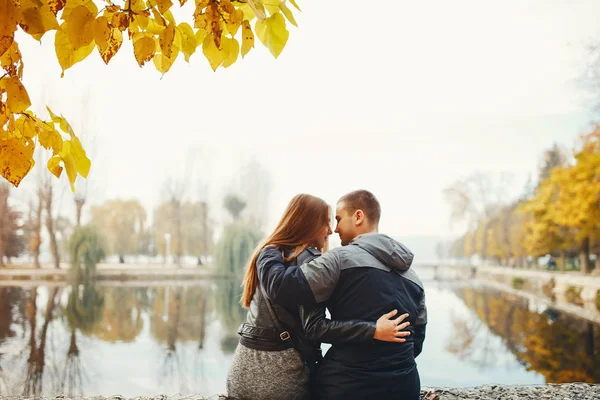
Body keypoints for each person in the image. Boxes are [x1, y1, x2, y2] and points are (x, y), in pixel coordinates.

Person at [226, 194, 412, 400]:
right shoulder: (311, 263)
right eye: (327, 223)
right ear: (308, 224)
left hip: (239, 375)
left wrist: (268, 249)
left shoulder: (270, 256)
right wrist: (372, 330)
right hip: (282, 378)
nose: (332, 230)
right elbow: (316, 327)